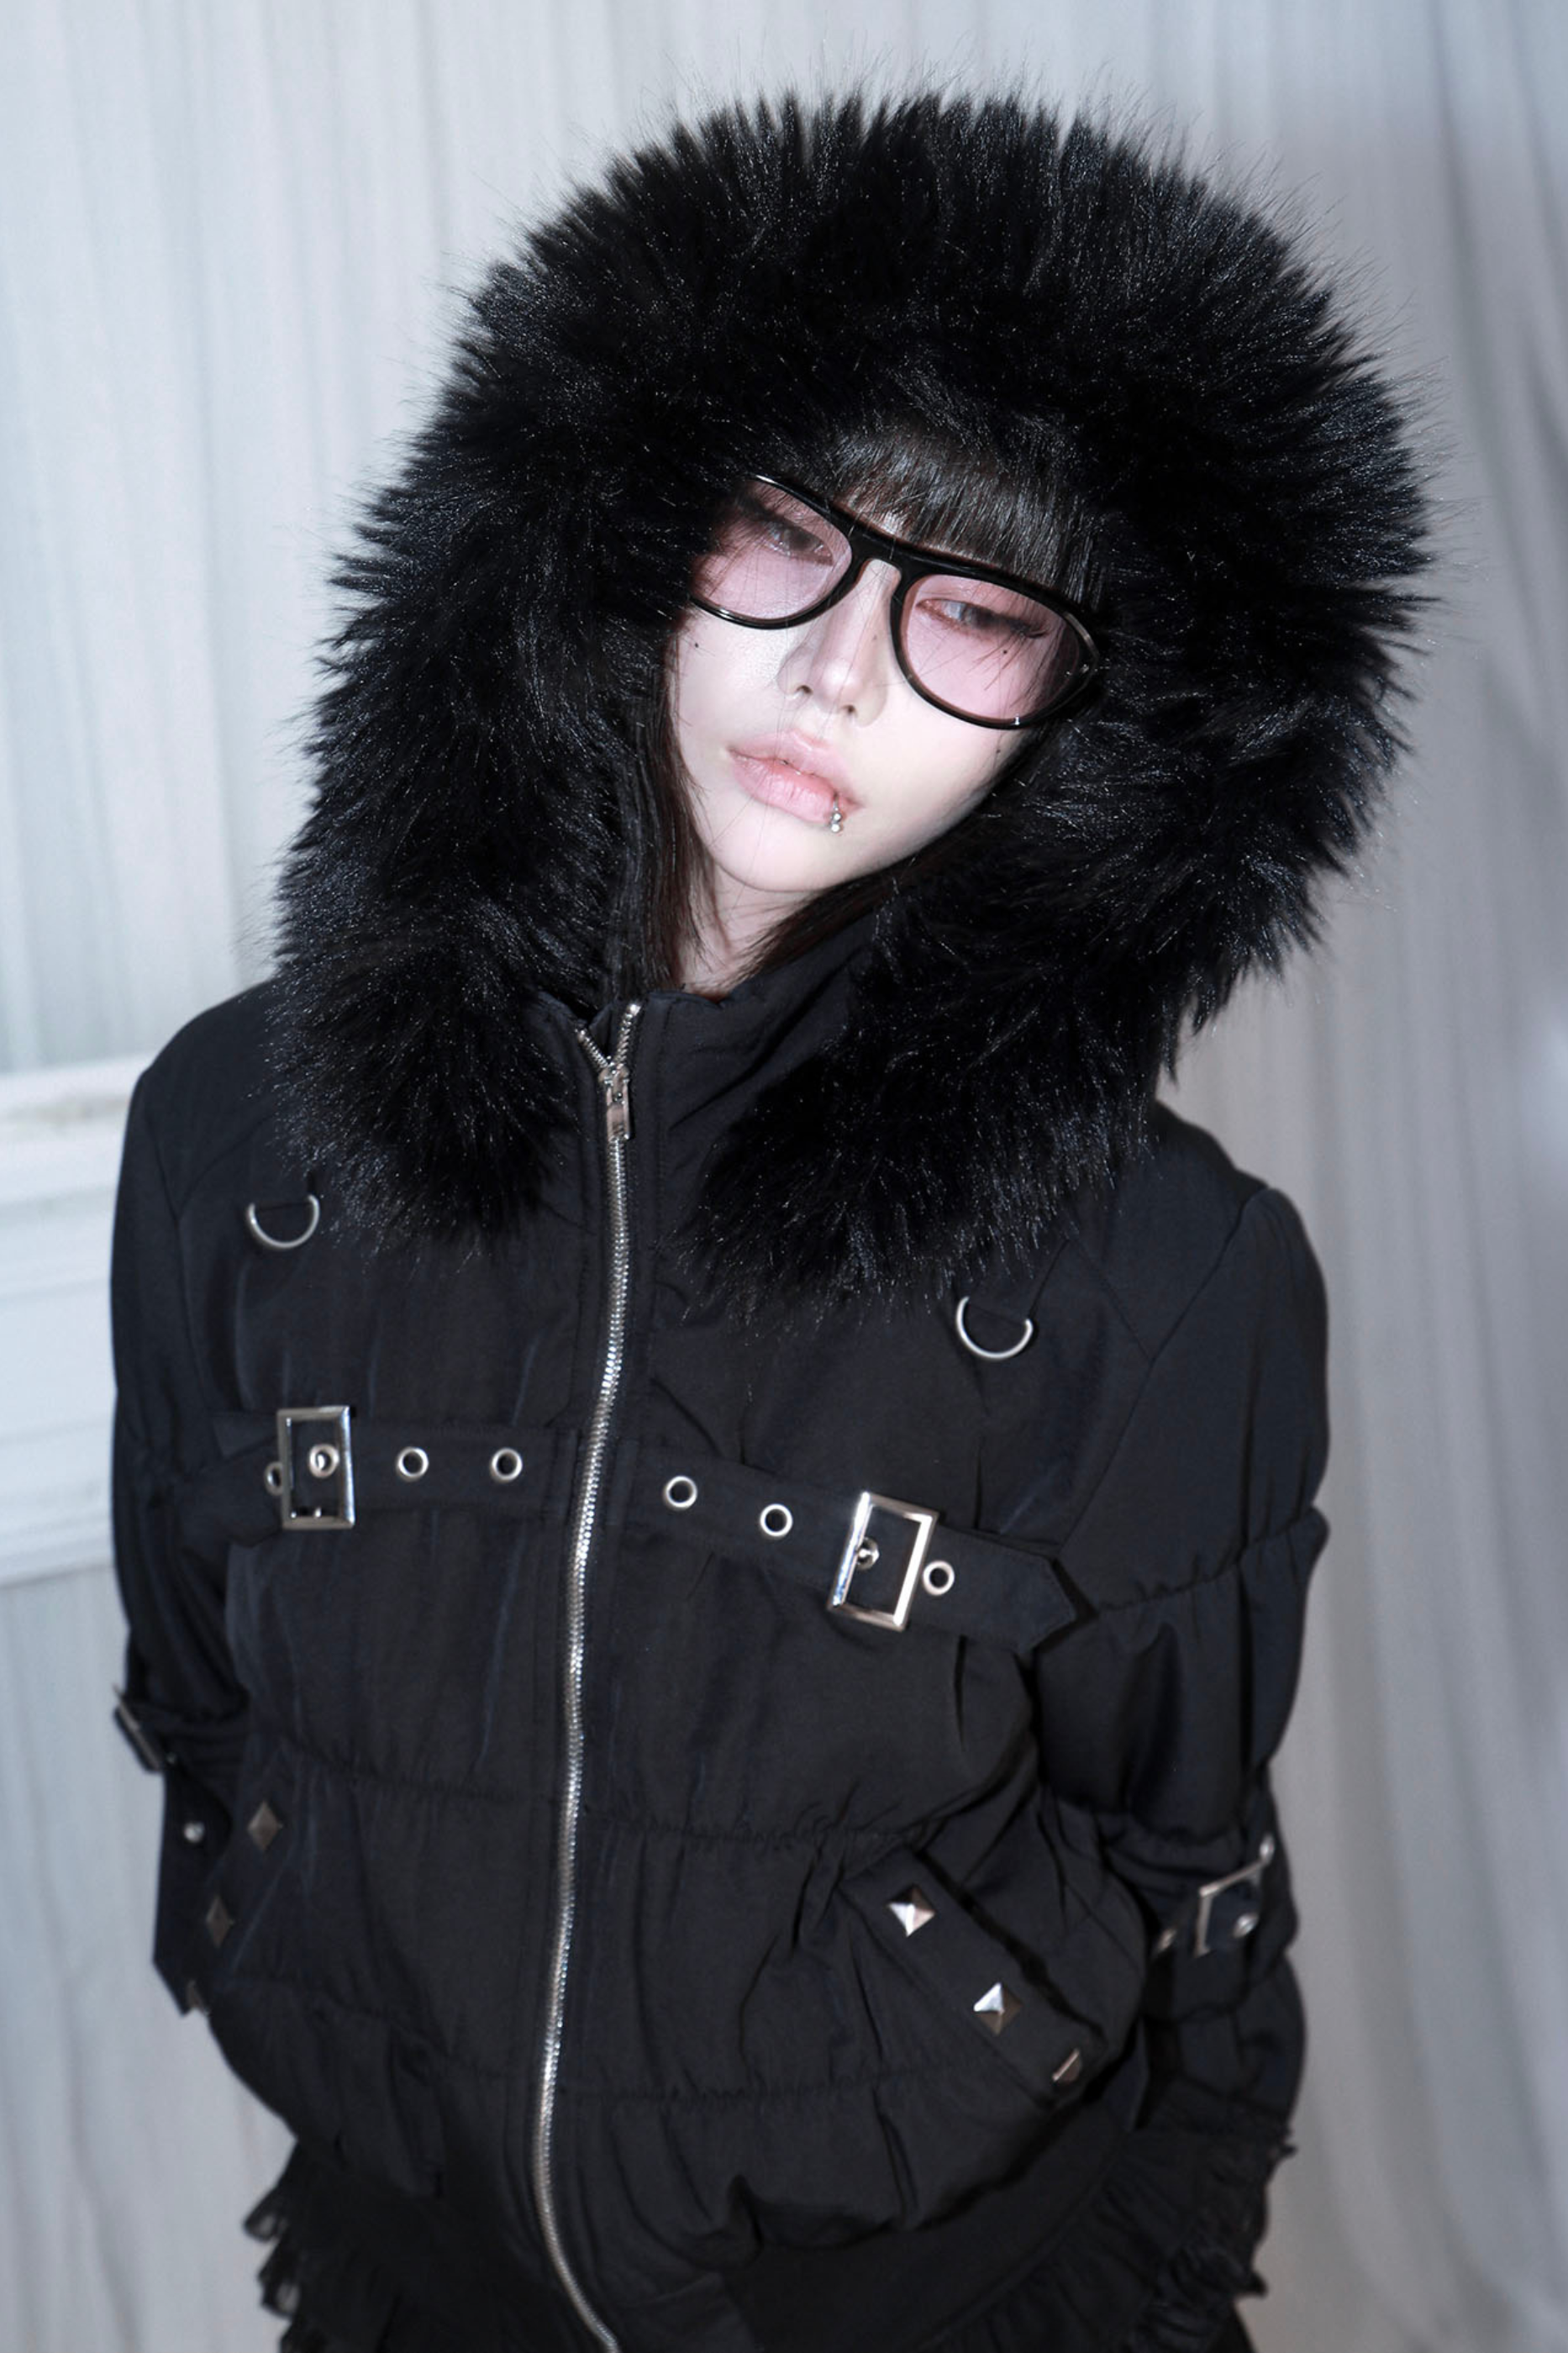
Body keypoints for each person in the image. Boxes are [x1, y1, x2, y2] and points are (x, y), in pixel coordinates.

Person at [108, 89, 1427, 2353]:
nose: (839, 670)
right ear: (626, 523)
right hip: (414, 2264)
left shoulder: (1168, 1275)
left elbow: (1192, 1879)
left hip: (955, 2289)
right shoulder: (245, 1126)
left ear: (1090, 716)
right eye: (790, 537)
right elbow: (202, 1685)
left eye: (975, 611)